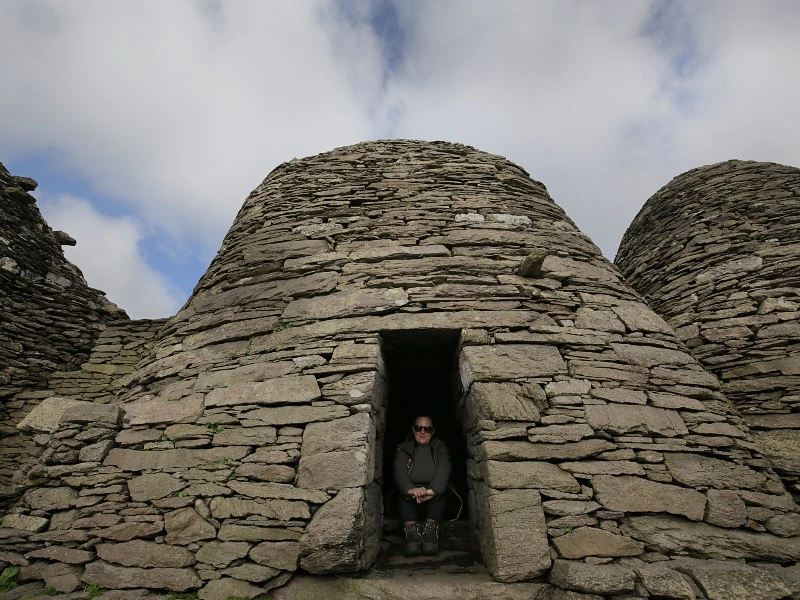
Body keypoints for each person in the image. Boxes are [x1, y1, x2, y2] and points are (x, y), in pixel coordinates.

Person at [393, 415, 451, 556]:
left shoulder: (440, 448)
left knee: (439, 495)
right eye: (419, 427)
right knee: (404, 495)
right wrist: (410, 489)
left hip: (432, 493)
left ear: (433, 431)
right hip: (411, 494)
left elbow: (445, 470)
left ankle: (431, 533)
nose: (422, 431)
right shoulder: (403, 449)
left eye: (427, 428)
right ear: (413, 429)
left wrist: (431, 491)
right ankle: (412, 533)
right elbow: (399, 472)